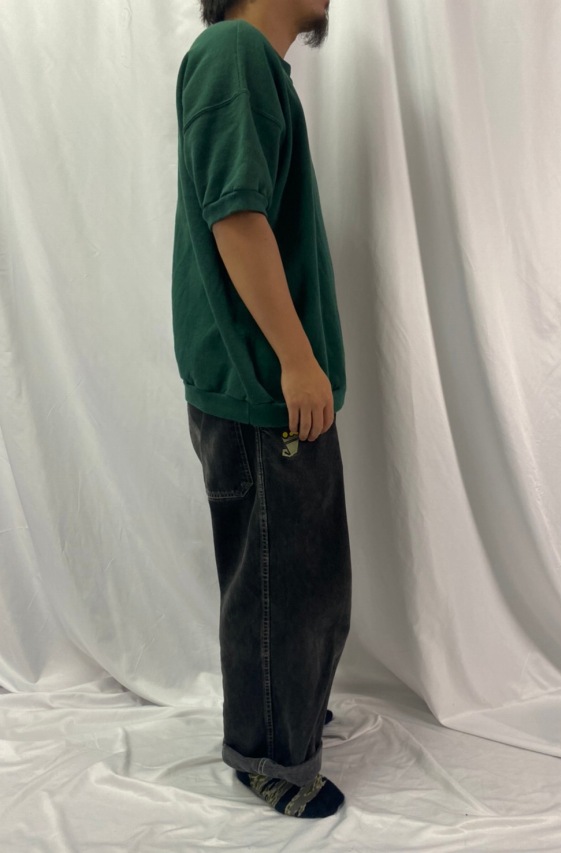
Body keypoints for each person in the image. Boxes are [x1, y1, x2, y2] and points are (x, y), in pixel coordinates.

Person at [171, 0, 352, 819]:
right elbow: (236, 216)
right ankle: (270, 754)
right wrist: (296, 359)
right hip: (261, 379)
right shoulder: (235, 52)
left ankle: (291, 709)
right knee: (280, 577)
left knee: (305, 567)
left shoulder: (251, 64)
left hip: (267, 376)